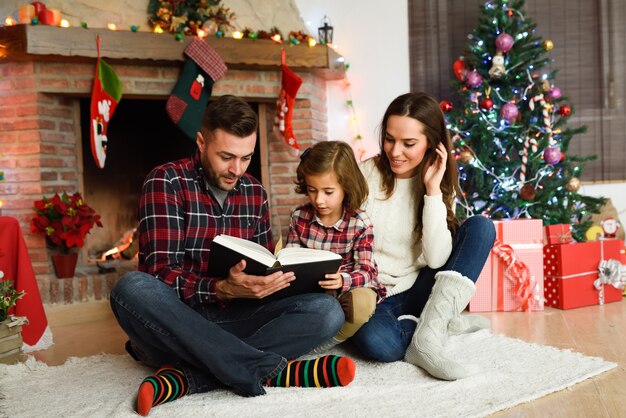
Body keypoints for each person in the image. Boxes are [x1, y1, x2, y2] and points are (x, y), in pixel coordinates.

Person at [109, 95, 356, 416]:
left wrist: (272, 283)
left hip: (236, 317)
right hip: (175, 322)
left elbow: (266, 263)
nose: (236, 169)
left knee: (327, 311)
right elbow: (159, 275)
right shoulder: (166, 182)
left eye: (246, 158)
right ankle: (274, 368)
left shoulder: (254, 192)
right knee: (131, 289)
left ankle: (190, 376)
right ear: (201, 143)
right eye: (226, 157)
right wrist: (219, 288)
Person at [350, 92, 496, 381]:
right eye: (390, 139)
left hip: (420, 283)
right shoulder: (367, 173)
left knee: (481, 227)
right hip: (376, 293)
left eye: (409, 143)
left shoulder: (437, 181)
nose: (395, 151)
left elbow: (437, 258)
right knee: (378, 343)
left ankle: (429, 333)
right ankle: (437, 324)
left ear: (431, 142)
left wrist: (432, 191)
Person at [286, 141, 386, 353]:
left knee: (362, 305)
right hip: (312, 293)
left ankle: (328, 342)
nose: (319, 200)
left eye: (328, 192)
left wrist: (342, 280)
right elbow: (290, 260)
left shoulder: (359, 222)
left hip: (347, 290)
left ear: (346, 187)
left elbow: (368, 272)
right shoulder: (299, 217)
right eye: (312, 190)